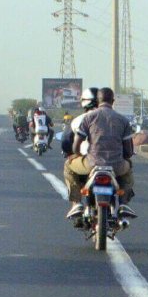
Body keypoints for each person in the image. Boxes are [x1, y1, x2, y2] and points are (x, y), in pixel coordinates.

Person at [64, 87, 136, 219]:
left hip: (92, 163)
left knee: (68, 166)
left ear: (98, 101)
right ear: (113, 101)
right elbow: (129, 151)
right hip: (116, 166)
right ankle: (124, 203)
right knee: (129, 167)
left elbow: (76, 146)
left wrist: (77, 155)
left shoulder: (88, 117)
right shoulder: (123, 120)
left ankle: (76, 203)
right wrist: (122, 158)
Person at [62, 88, 98, 156]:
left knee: (68, 164)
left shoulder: (79, 119)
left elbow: (65, 142)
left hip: (87, 158)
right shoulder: (114, 118)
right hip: (113, 160)